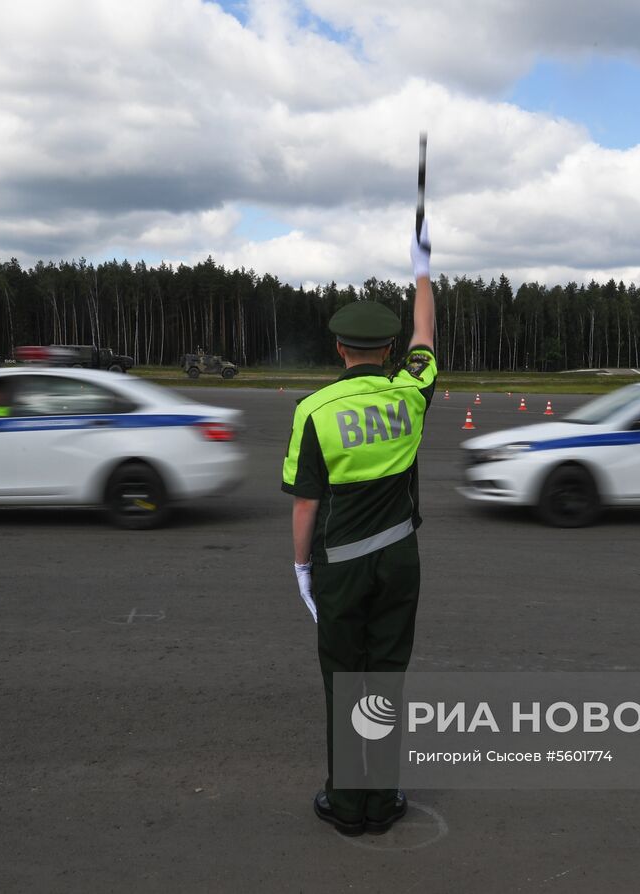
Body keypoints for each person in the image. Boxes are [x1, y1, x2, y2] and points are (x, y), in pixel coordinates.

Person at [284, 219, 437, 837]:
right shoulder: (411, 392)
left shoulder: (314, 412)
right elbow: (427, 332)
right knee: (388, 675)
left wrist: (301, 568)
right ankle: (384, 797)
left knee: (345, 680)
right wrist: (422, 270)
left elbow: (305, 504)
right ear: (389, 350)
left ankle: (348, 806)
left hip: (340, 565)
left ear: (341, 350)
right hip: (400, 559)